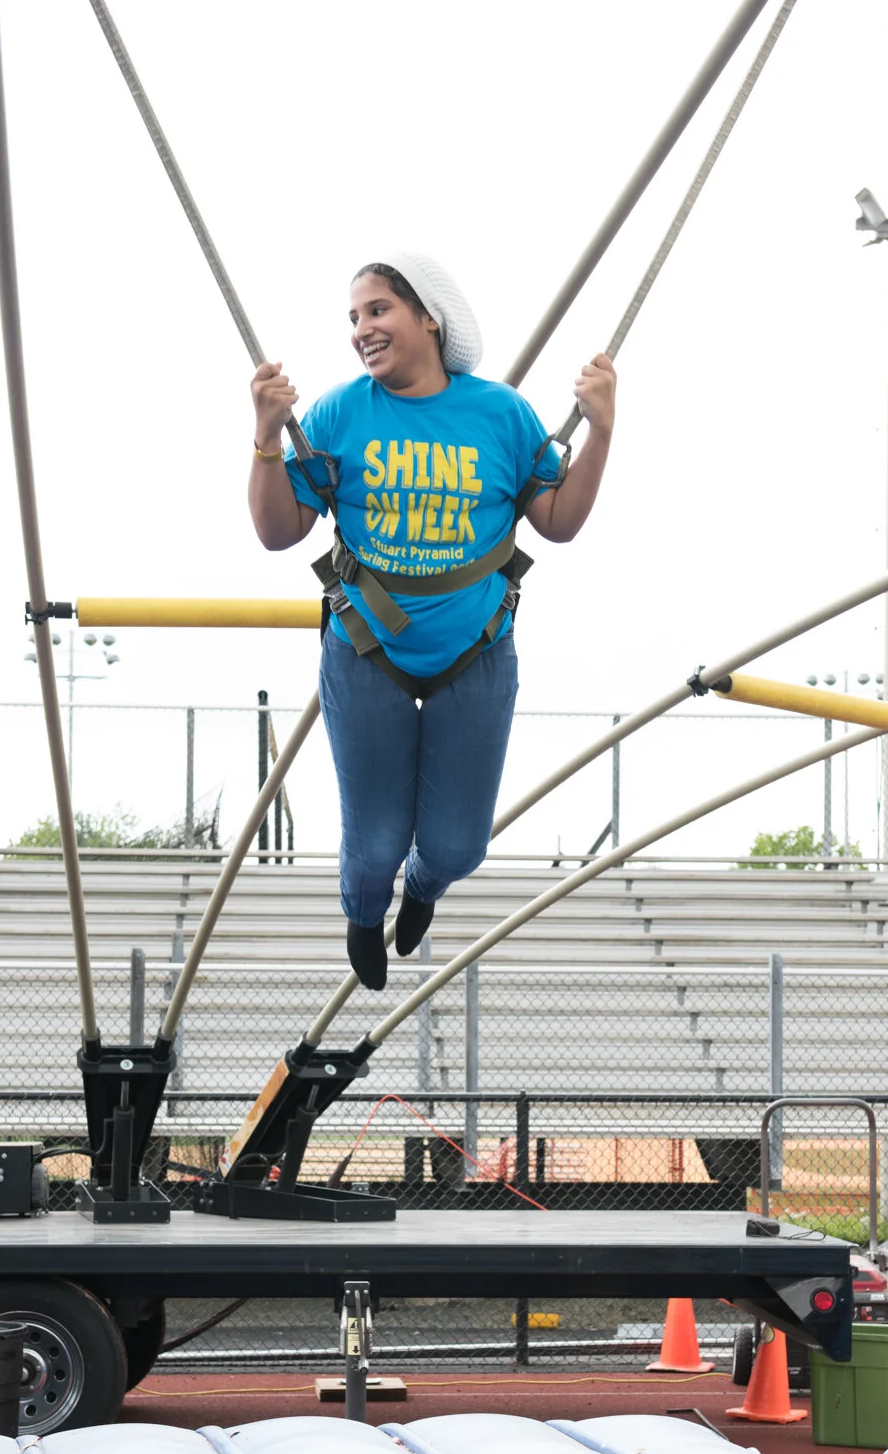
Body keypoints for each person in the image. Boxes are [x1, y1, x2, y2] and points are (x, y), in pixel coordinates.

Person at [247, 251, 616, 988]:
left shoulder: (500, 415)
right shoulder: (340, 412)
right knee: (375, 842)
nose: (362, 329)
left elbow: (557, 521)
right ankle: (363, 905)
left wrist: (600, 431)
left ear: (428, 318)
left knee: (455, 847)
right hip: (366, 646)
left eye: (378, 310)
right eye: (354, 317)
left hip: (474, 648)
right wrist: (265, 435)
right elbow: (279, 530)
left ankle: (424, 888)